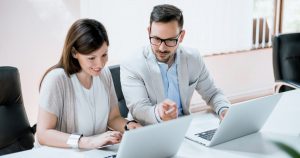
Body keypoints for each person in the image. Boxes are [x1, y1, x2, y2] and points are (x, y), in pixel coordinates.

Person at [37, 19, 141, 149]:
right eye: (91, 58)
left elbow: (113, 118)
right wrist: (86, 142)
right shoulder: (57, 79)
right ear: (75, 53)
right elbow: (43, 134)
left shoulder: (105, 74)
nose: (100, 64)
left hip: (95, 153)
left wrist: (129, 126)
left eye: (104, 55)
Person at [121, 4, 231, 125]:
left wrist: (224, 109)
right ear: (149, 32)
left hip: (183, 127)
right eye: (156, 39)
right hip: (148, 129)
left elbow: (212, 94)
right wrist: (159, 113)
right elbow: (139, 109)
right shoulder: (132, 63)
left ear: (181, 36)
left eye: (170, 40)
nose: (162, 48)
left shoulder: (193, 58)